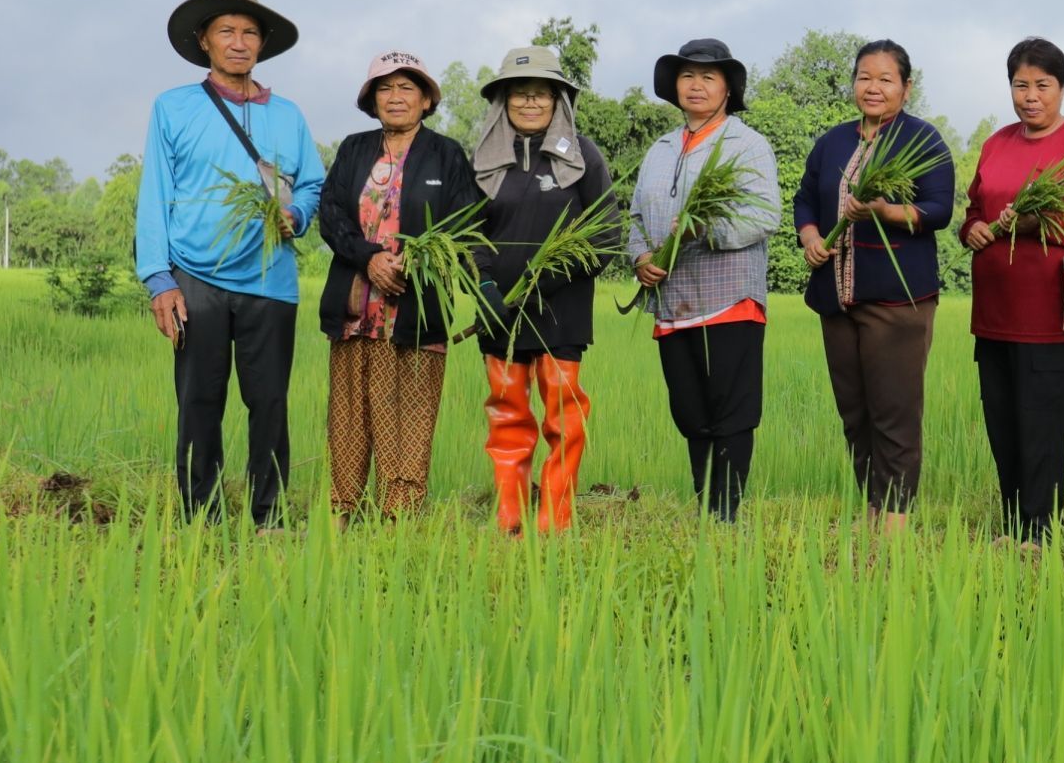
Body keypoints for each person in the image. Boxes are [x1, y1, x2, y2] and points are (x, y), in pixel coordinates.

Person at [136, 0, 327, 527]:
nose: (238, 42)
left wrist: (297, 215)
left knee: (269, 405)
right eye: (226, 31)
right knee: (199, 403)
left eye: (249, 32)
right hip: (194, 277)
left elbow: (312, 184)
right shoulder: (173, 108)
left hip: (271, 279)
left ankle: (268, 516)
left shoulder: (288, 116)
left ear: (262, 44)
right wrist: (159, 279)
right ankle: (203, 516)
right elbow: (154, 193)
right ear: (204, 41)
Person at [959, 37, 1064, 543]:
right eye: (1020, 85)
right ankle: (1011, 524)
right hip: (993, 314)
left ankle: (1040, 531)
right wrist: (973, 231)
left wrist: (1039, 223)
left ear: (1062, 89)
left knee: (1042, 429)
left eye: (1042, 86)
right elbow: (973, 211)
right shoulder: (996, 144)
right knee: (1002, 425)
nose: (1030, 96)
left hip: (1049, 316)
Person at [795, 39, 956, 530]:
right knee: (855, 414)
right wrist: (810, 236)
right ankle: (872, 509)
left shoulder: (922, 141)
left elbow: (939, 210)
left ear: (906, 87)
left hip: (896, 303)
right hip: (836, 300)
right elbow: (804, 198)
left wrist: (885, 211)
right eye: (865, 77)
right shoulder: (833, 142)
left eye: (886, 79)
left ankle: (896, 523)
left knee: (895, 414)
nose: (873, 87)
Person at [625, 38, 780, 522]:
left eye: (709, 77)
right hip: (674, 304)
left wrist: (705, 230)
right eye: (688, 75)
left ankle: (726, 514)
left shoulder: (747, 144)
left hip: (729, 297)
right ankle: (705, 504)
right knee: (690, 411)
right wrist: (641, 257)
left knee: (729, 411)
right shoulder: (660, 148)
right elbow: (634, 216)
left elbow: (765, 215)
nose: (697, 85)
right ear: (675, 86)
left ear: (728, 89)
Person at [469, 45, 620, 535]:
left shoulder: (584, 156)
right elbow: (465, 233)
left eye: (541, 94)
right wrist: (485, 283)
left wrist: (546, 281)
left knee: (563, 414)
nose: (530, 103)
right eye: (520, 94)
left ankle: (554, 517)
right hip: (499, 313)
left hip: (562, 311)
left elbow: (605, 235)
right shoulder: (485, 160)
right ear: (504, 100)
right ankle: (510, 515)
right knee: (507, 413)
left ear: (559, 101)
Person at [315, 52, 468, 519]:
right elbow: (332, 215)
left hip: (415, 311)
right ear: (372, 99)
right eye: (385, 88)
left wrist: (412, 259)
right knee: (348, 415)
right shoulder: (354, 149)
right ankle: (344, 510)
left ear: (425, 100)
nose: (395, 97)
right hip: (355, 310)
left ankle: (400, 516)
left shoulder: (447, 154)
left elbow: (465, 222)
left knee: (411, 415)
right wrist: (370, 258)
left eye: (407, 88)